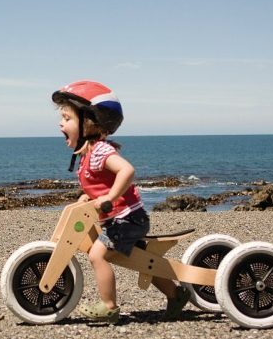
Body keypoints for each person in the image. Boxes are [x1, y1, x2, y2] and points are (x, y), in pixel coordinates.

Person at [52, 80, 190, 324]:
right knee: (143, 262)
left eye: (67, 118)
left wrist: (110, 197)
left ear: (90, 122)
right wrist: (92, 196)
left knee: (98, 255)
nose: (60, 124)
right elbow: (99, 184)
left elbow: (126, 170)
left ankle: (109, 306)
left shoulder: (100, 151)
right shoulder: (87, 154)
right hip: (122, 218)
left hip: (127, 219)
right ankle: (176, 294)